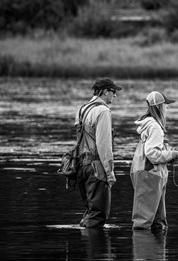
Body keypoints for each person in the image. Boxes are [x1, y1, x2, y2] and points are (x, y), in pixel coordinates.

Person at [130, 91, 178, 231]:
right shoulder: (155, 126)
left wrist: (169, 156)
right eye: (166, 105)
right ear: (159, 107)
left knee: (158, 222)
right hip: (149, 176)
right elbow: (152, 154)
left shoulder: (149, 125)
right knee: (143, 223)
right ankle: (145, 249)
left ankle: (157, 252)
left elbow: (152, 152)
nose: (167, 108)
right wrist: (173, 154)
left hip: (149, 174)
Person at [75, 78, 122, 228]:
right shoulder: (103, 111)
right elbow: (103, 145)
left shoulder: (82, 109)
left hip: (81, 166)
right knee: (98, 215)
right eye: (113, 92)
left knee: (90, 212)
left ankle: (87, 245)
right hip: (96, 167)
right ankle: (98, 251)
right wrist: (110, 173)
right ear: (105, 92)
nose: (115, 95)